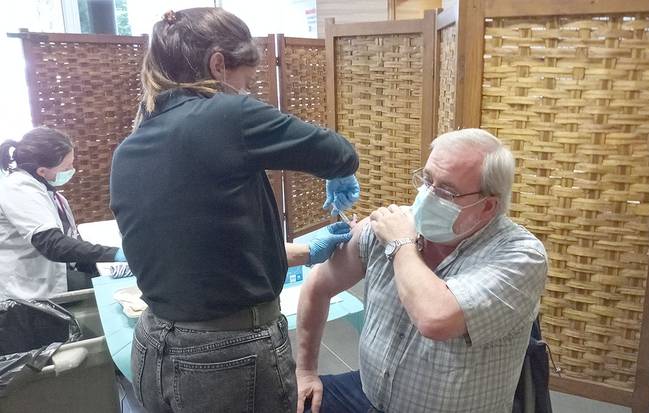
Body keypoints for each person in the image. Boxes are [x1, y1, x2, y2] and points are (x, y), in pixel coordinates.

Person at [109, 8, 359, 413]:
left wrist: (303, 251)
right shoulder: (226, 115)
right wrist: (340, 172)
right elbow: (339, 153)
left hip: (152, 346)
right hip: (224, 359)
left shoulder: (132, 144)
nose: (245, 91)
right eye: (246, 81)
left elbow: (205, 248)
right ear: (218, 65)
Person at [296, 129, 548, 413]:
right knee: (291, 401)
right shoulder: (390, 227)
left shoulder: (521, 256)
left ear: (488, 206)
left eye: (446, 191)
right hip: (370, 396)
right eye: (427, 180)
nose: (427, 196)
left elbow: (435, 318)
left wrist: (401, 244)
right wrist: (306, 371)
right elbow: (318, 286)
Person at [0, 127, 126, 299]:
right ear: (42, 171)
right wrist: (115, 254)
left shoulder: (45, 190)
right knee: (113, 292)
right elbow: (53, 245)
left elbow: (68, 237)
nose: (72, 170)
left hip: (50, 274)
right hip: (27, 287)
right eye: (67, 167)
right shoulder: (18, 189)